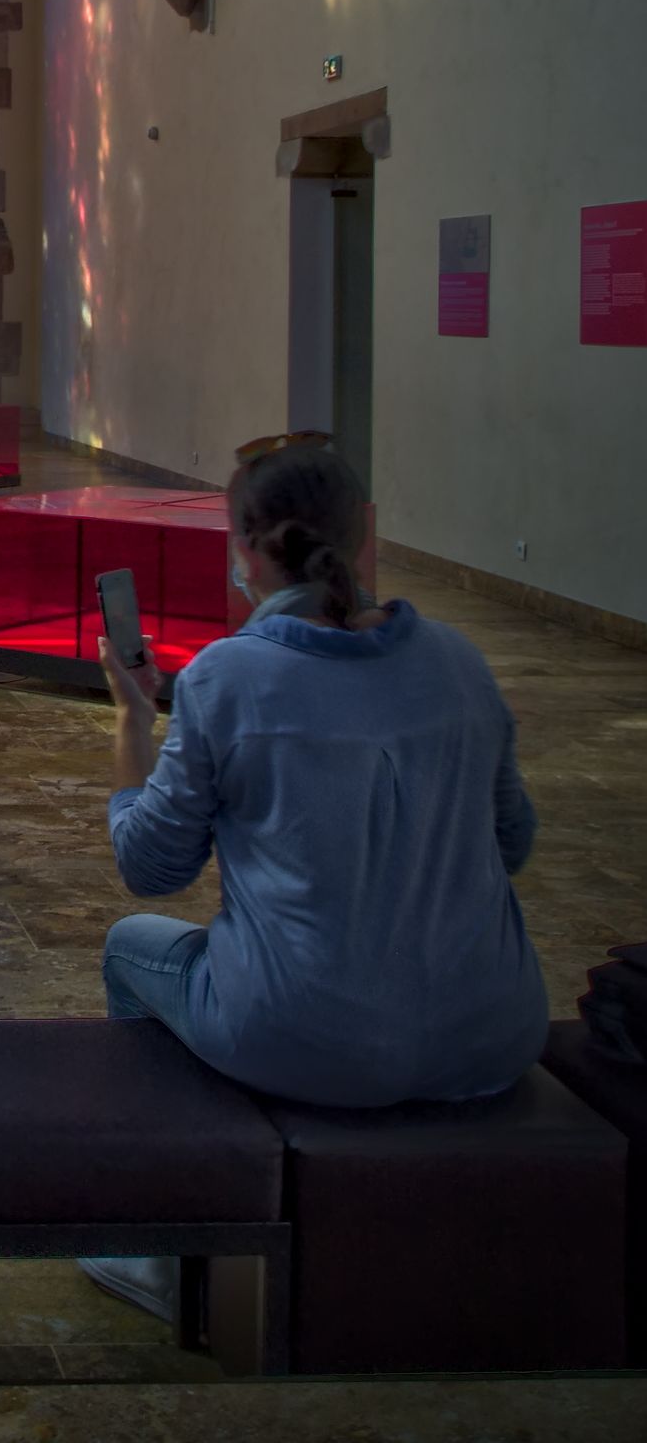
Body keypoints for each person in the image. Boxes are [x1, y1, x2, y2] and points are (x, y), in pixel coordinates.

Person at [83, 437, 548, 1320]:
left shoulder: (227, 677)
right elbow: (512, 843)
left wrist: (131, 726)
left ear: (245, 552)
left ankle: (157, 1253)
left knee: (127, 955)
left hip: (301, 1033)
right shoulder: (458, 661)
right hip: (493, 1032)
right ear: (364, 534)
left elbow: (148, 869)